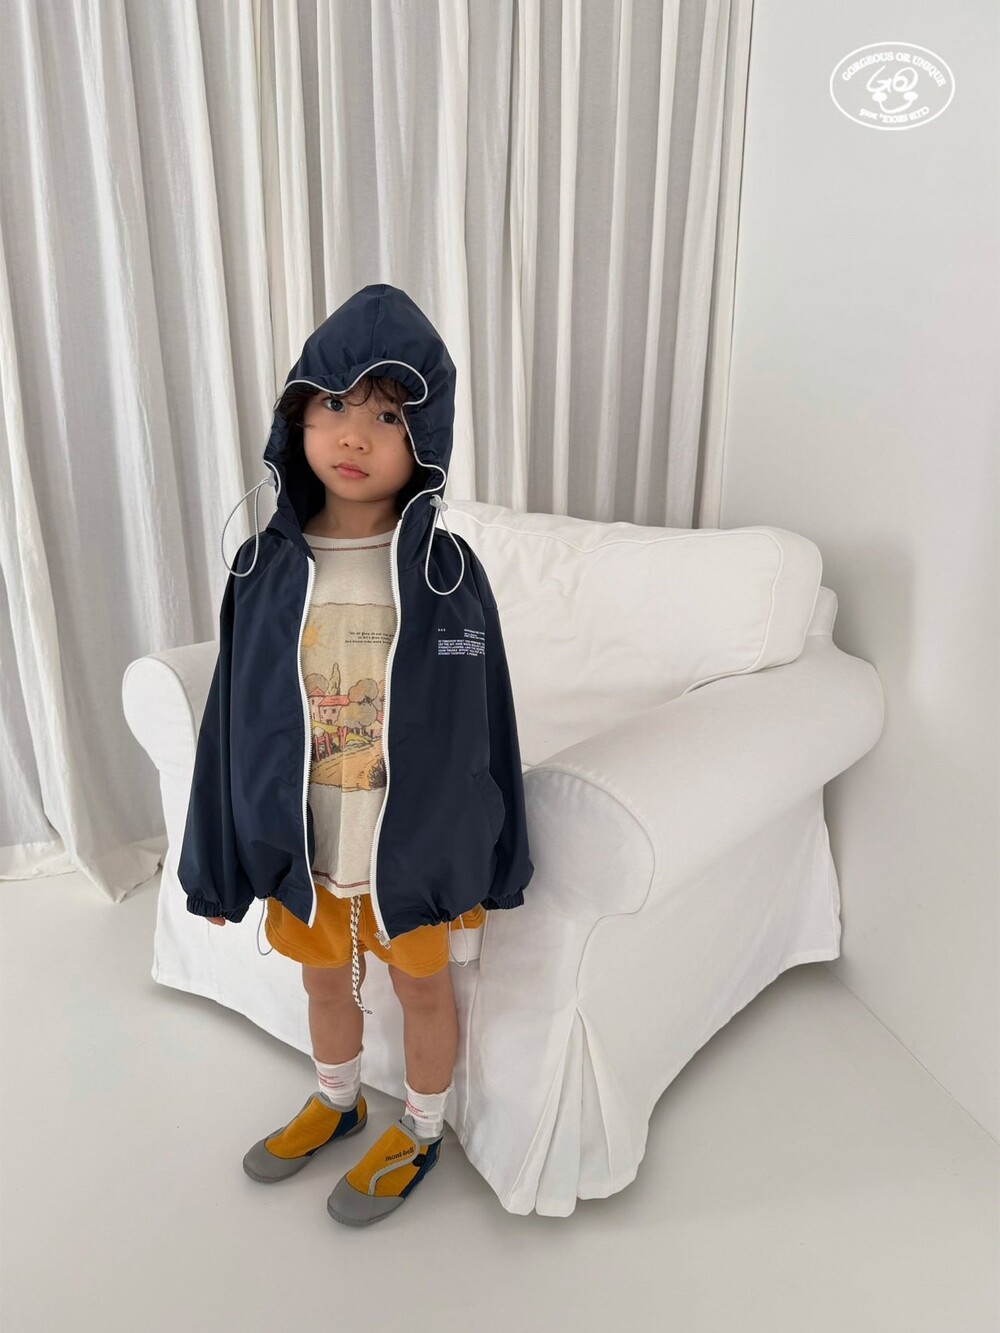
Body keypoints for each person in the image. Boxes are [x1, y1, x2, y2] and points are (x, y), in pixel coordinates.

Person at [176, 284, 534, 1226]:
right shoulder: (261, 571)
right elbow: (229, 725)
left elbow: (487, 721)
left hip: (410, 847)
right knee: (320, 978)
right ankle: (337, 1100)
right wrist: (215, 863)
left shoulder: (448, 575)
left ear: (424, 440)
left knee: (422, 987)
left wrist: (495, 855)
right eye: (334, 403)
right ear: (297, 415)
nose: (354, 434)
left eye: (387, 415)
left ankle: (421, 1126)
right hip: (311, 841)